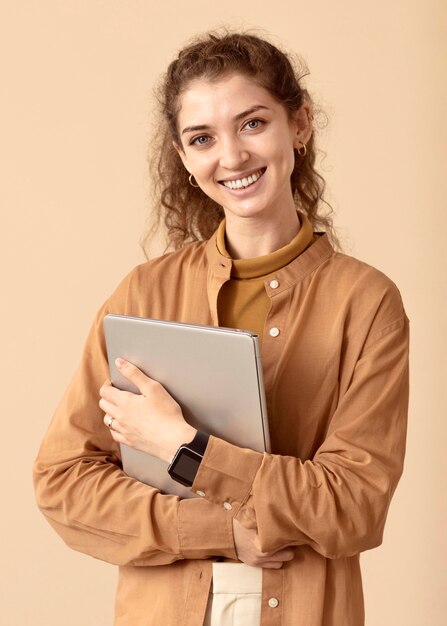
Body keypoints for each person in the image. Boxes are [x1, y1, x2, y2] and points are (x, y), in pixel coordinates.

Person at [33, 31, 409, 626]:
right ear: (184, 158)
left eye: (253, 123)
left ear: (301, 125)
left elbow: (354, 506)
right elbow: (63, 483)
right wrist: (222, 532)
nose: (231, 157)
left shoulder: (365, 303)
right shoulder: (143, 294)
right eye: (202, 138)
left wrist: (186, 450)